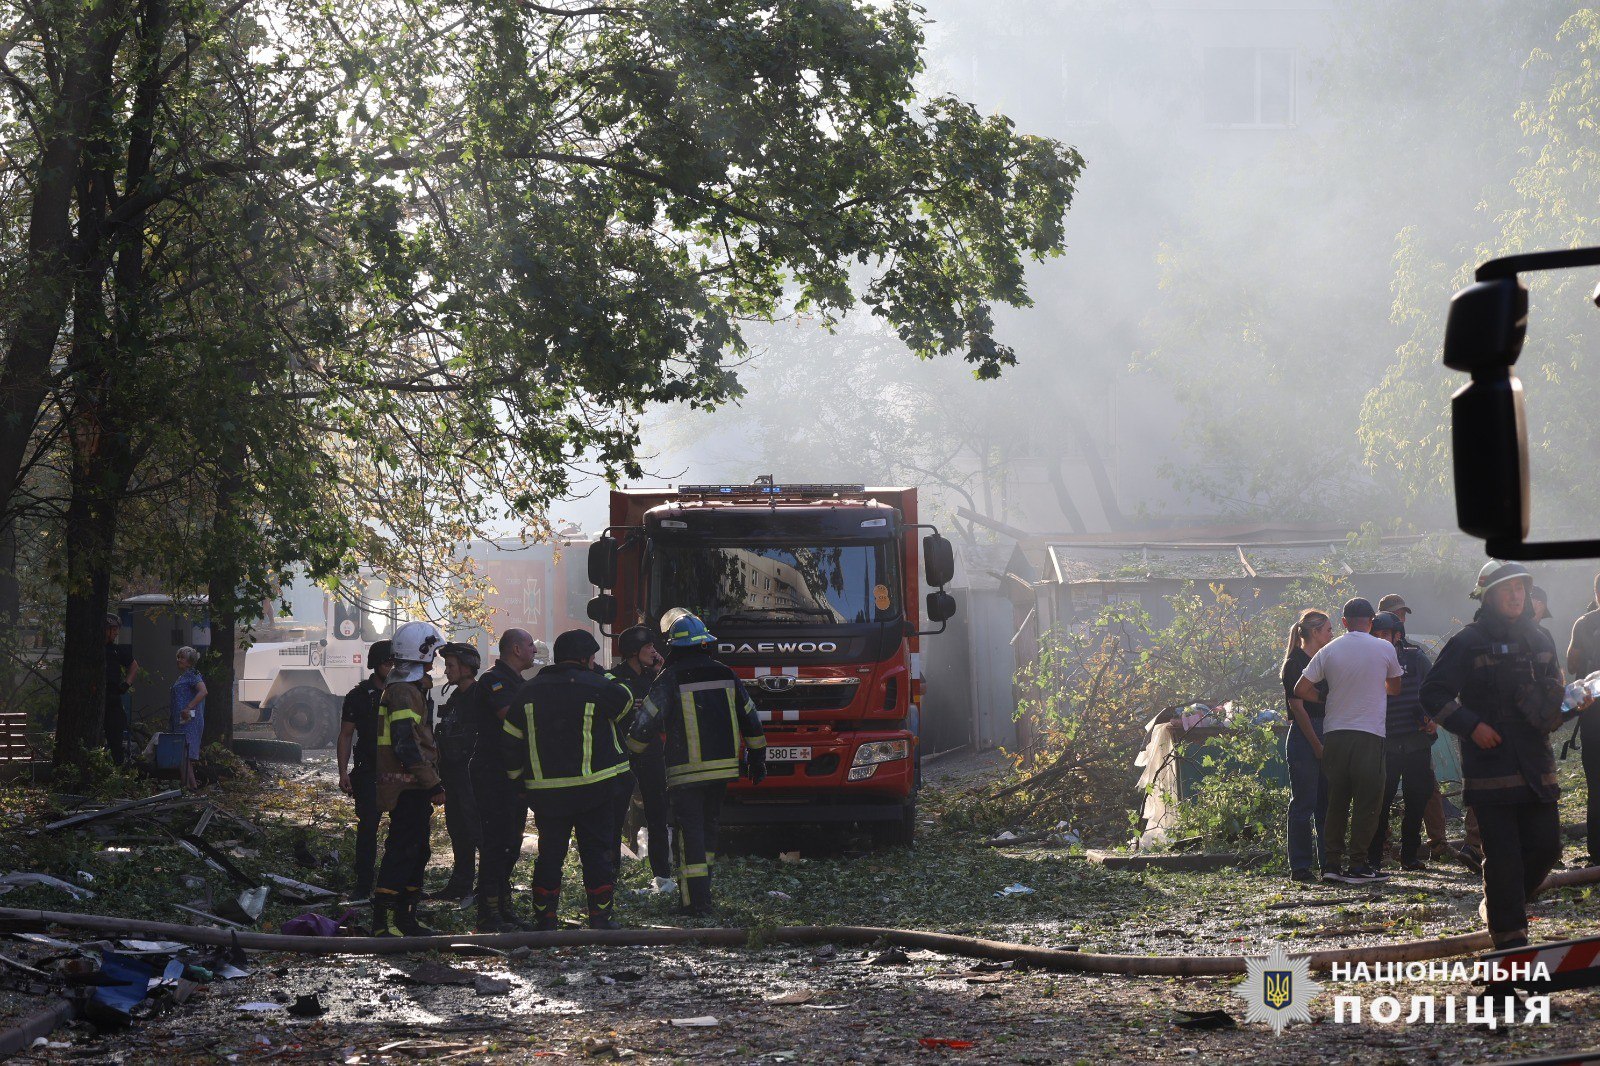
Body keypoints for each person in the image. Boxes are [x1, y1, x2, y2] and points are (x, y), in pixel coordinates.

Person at [1422, 560, 1582, 955]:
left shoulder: (1541, 639)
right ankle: (1511, 946)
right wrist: (1471, 725)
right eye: (1507, 589)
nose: (1516, 596)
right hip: (1491, 771)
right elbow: (1433, 693)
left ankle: (1500, 907)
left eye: (1521, 589)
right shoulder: (1468, 641)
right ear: (1488, 596)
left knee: (1547, 848)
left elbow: (1550, 705)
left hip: (1536, 768)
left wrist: (1575, 703)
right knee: (1504, 859)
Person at [628, 609, 766, 917]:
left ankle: (694, 903)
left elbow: (644, 724)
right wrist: (757, 757)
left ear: (673, 647)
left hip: (685, 772)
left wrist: (631, 755)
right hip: (722, 771)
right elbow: (751, 718)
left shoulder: (670, 678)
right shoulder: (725, 674)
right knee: (708, 831)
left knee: (689, 835)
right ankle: (703, 894)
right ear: (704, 644)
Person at [500, 628, 635, 930]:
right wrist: (603, 674)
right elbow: (626, 700)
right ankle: (600, 918)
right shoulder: (598, 686)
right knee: (596, 854)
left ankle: (545, 919)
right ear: (588, 659)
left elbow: (509, 741)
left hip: (546, 795)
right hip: (593, 789)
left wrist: (517, 781)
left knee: (550, 855)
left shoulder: (528, 691)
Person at [1295, 597, 1403, 883]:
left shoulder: (1329, 650)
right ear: (1372, 622)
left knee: (1337, 801)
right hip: (1368, 734)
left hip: (1335, 735)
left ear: (1343, 622)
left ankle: (1331, 865)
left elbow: (1301, 688)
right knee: (1368, 800)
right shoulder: (1384, 648)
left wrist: (1325, 696)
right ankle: (1358, 864)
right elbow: (1394, 687)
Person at [372, 620, 447, 937]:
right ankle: (385, 923)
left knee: (417, 850)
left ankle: (406, 918)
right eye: (433, 653)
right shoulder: (403, 692)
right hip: (406, 786)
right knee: (403, 851)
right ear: (423, 654)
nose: (436, 659)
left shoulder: (410, 688)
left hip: (411, 785)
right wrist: (433, 783)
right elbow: (406, 744)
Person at [470, 628, 540, 932]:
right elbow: (511, 716)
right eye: (529, 645)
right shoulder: (493, 680)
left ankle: (504, 906)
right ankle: (488, 912)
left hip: (512, 774)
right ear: (515, 649)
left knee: (511, 842)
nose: (534, 650)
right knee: (496, 842)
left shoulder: (518, 682)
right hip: (492, 774)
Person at [1366, 612, 1437, 871]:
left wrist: (1432, 718)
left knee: (1416, 799)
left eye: (1385, 634)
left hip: (1416, 741)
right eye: (1376, 634)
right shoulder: (1367, 659)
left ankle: (1409, 856)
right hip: (1384, 742)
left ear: (1397, 635)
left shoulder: (1415, 658)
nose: (1381, 639)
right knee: (1380, 803)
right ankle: (1373, 858)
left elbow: (1434, 688)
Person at [609, 624, 673, 892]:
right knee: (613, 818)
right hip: (621, 756)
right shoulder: (613, 679)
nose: (654, 651)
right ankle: (609, 878)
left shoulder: (655, 678)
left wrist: (660, 672)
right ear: (634, 651)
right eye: (649, 647)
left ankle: (662, 875)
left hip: (651, 756)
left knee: (658, 816)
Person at [1280, 609, 1333, 883]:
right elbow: (1298, 709)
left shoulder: (1325, 659)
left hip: (1328, 729)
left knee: (1327, 802)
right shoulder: (1294, 664)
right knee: (1304, 803)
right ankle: (1300, 866)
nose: (1332, 635)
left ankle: (1329, 864)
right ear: (1314, 633)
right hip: (1305, 735)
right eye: (1327, 630)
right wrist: (1317, 744)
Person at [337, 639, 392, 900]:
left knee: (402, 830)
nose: (392, 668)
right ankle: (363, 884)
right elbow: (346, 735)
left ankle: (394, 884)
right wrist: (343, 772)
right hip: (369, 771)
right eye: (386, 663)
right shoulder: (358, 696)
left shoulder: (404, 692)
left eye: (395, 663)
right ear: (376, 664)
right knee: (368, 829)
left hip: (398, 772)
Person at [433, 643, 482, 900]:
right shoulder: (455, 697)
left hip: (471, 778)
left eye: (450, 665)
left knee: (477, 831)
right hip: (453, 776)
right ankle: (460, 884)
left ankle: (486, 888)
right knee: (458, 830)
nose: (446, 670)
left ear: (466, 667)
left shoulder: (479, 696)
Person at [1566, 574, 1600, 866]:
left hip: (1593, 717)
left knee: (1596, 786)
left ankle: (1598, 853)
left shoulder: (1585, 623)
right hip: (1592, 718)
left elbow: (1572, 665)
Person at [168, 647, 207, 791]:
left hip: (189, 720)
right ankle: (189, 786)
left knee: (185, 752)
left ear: (190, 661)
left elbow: (203, 691)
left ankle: (191, 787)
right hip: (180, 720)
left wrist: (189, 707)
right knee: (182, 753)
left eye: (181, 657)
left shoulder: (193, 674)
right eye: (178, 657)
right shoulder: (183, 676)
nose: (178, 660)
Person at [103, 613, 137, 765]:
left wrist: (126, 683)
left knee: (116, 733)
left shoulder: (116, 650)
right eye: (114, 629)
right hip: (96, 697)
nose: (116, 633)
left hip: (112, 697)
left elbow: (134, 666)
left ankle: (118, 765)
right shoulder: (92, 649)